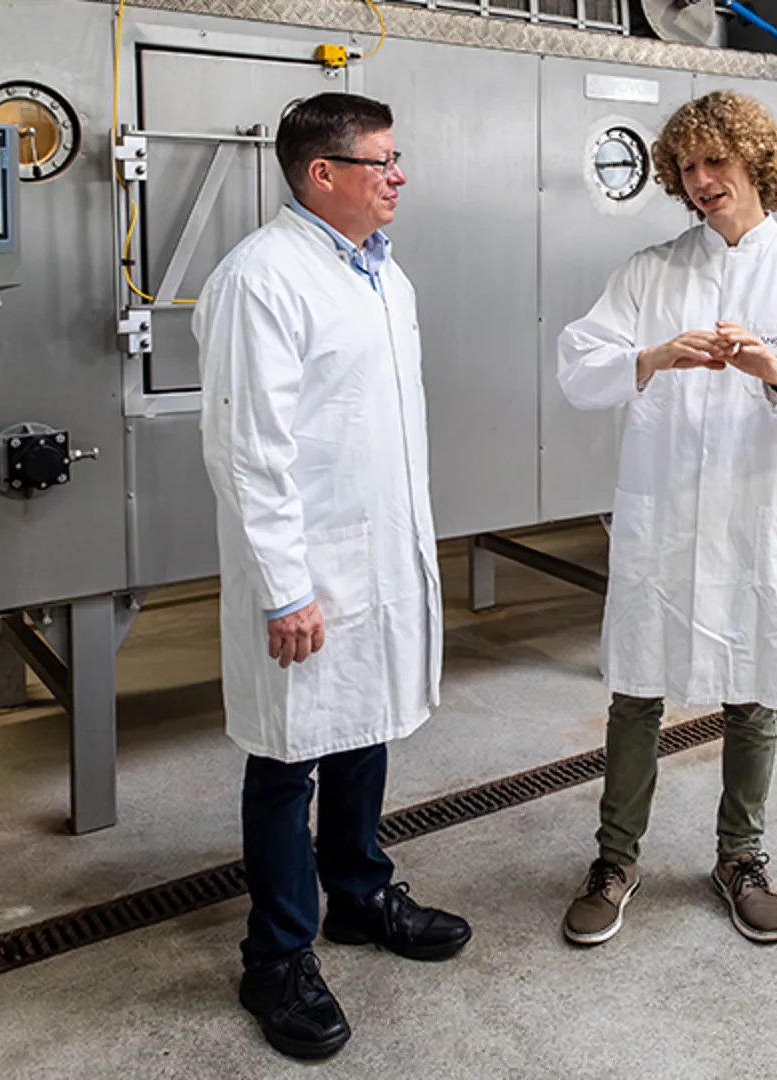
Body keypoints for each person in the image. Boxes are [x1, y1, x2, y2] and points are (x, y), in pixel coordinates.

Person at [555, 90, 777, 947]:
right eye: (688, 167)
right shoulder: (650, 272)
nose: (701, 182)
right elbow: (579, 369)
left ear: (757, 164)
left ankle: (741, 855)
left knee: (753, 689)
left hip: (754, 517)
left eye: (717, 163)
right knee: (637, 688)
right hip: (664, 516)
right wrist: (655, 355)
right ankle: (615, 858)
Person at [195, 92, 470, 1061]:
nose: (398, 177)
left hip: (378, 552)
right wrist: (285, 586)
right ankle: (275, 955)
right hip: (307, 566)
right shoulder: (262, 279)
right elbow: (247, 451)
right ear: (323, 174)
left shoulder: (383, 278)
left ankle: (357, 897)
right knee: (286, 758)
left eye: (398, 161)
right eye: (382, 162)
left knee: (367, 726)